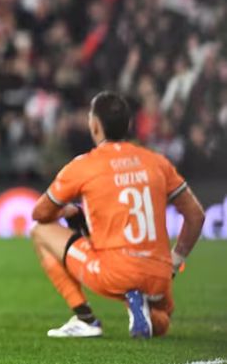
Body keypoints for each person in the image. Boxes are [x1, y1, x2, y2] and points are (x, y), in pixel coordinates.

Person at [31, 91, 205, 339]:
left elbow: (40, 213)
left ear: (94, 126)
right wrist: (175, 262)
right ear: (129, 125)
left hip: (113, 272)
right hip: (159, 275)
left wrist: (71, 211)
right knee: (162, 322)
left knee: (40, 232)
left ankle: (85, 319)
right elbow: (196, 216)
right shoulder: (156, 161)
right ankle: (139, 306)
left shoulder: (84, 165)